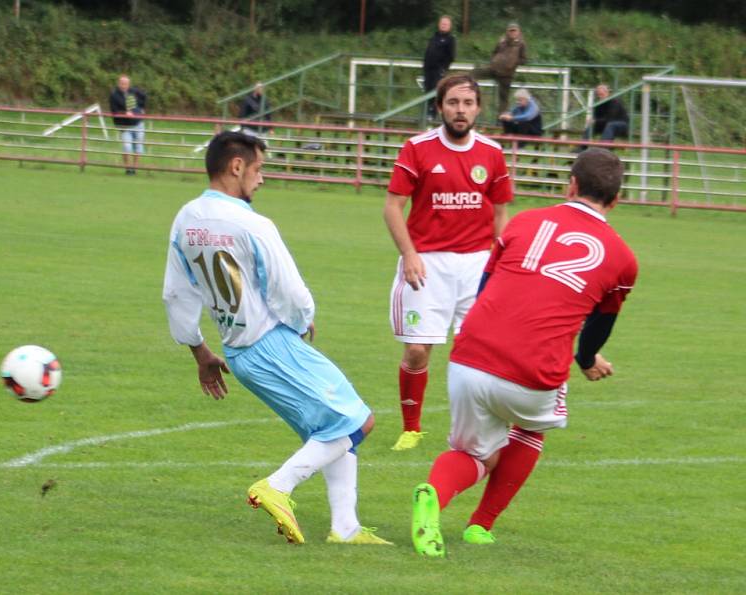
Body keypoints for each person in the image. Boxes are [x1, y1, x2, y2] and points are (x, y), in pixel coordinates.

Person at [162, 131, 391, 547]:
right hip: (272, 343)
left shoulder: (185, 219)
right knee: (358, 421)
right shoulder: (252, 223)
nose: (261, 178)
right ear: (237, 167)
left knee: (329, 426)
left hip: (237, 351)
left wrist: (200, 352)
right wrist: (305, 320)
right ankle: (277, 486)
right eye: (259, 168)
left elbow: (176, 293)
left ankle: (346, 528)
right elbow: (286, 288)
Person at [409, 148, 639, 557]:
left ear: (570, 185)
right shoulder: (622, 258)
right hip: (532, 371)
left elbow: (486, 288)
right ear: (617, 199)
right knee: (531, 429)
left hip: (469, 356)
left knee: (470, 453)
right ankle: (480, 525)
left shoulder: (524, 220)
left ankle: (435, 495)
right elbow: (601, 326)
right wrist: (586, 360)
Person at [383, 74, 512, 452]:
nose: (460, 110)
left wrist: (498, 259)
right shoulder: (418, 148)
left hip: (476, 267)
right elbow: (393, 207)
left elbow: (501, 213)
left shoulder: (491, 152)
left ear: (478, 108)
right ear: (439, 106)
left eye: (468, 103)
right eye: (453, 103)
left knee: (480, 352)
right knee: (418, 350)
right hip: (427, 264)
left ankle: (472, 431)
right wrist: (409, 254)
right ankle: (411, 427)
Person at [472, 23, 527, 114]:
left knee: (503, 98)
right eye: (511, 30)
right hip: (493, 69)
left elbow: (524, 59)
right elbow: (494, 52)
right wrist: (494, 60)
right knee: (474, 73)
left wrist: (513, 63)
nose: (512, 33)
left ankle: (500, 121)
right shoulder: (502, 41)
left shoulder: (521, 44)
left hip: (507, 74)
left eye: (514, 31)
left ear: (518, 32)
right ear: (507, 31)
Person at [109, 74, 147, 175]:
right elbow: (114, 111)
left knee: (138, 147)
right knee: (127, 147)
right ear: (118, 83)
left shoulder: (134, 91)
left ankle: (134, 168)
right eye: (122, 83)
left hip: (138, 123)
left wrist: (142, 109)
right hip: (124, 126)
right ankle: (127, 168)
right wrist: (124, 113)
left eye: (125, 83)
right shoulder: (114, 95)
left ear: (129, 84)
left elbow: (144, 96)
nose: (123, 85)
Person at [422, 15, 457, 119]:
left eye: (446, 24)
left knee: (436, 90)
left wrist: (443, 68)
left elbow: (451, 56)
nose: (443, 26)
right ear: (439, 24)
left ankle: (434, 113)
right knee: (428, 89)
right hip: (428, 70)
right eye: (442, 23)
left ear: (449, 26)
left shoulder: (451, 39)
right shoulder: (434, 37)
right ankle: (428, 111)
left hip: (439, 70)